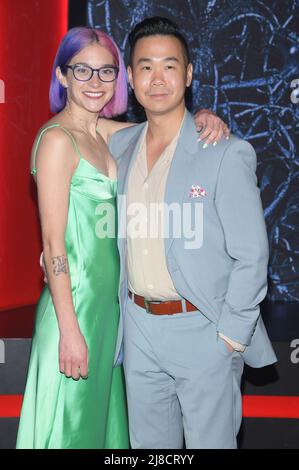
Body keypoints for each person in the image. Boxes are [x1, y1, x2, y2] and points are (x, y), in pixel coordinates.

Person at [16, 26, 228, 449]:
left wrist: (203, 117)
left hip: (109, 314)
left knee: (102, 433)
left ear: (119, 78)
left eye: (106, 71)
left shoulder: (104, 134)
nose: (95, 82)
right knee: (69, 430)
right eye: (82, 71)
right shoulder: (57, 141)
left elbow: (163, 129)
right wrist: (70, 331)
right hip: (73, 311)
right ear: (61, 76)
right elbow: (54, 246)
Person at [108, 17, 278, 449]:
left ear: (187, 74)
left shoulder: (225, 151)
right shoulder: (119, 147)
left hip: (203, 328)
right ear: (130, 77)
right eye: (145, 67)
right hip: (139, 328)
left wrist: (229, 337)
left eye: (170, 66)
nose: (157, 78)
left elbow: (252, 255)